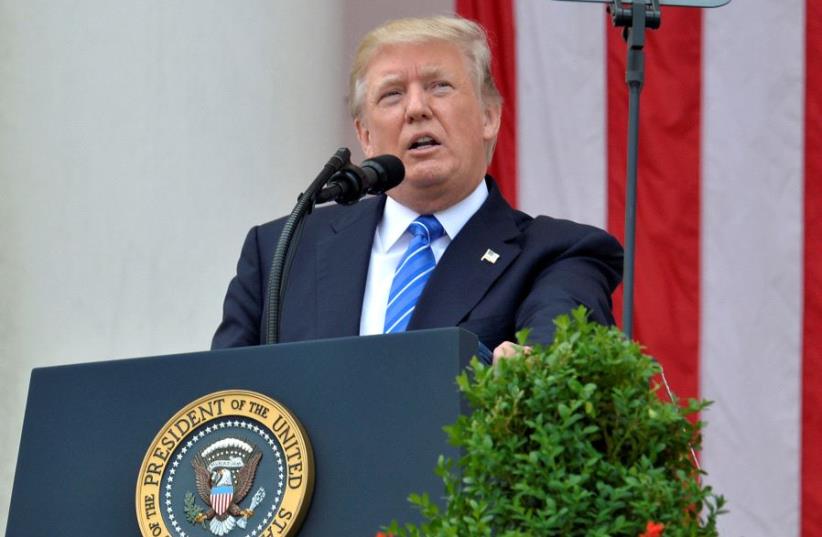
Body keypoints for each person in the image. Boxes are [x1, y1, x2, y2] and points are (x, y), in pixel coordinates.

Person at [212, 15, 623, 363]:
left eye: (439, 86)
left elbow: (554, 362)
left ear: (489, 116)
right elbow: (217, 403)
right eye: (392, 94)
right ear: (365, 135)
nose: (416, 109)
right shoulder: (281, 251)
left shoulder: (559, 254)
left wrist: (533, 370)